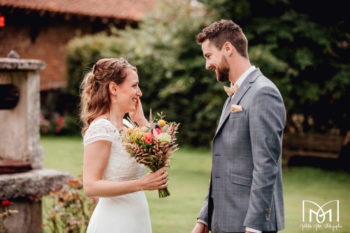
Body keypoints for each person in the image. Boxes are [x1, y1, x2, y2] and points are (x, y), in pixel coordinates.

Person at [191, 20, 286, 233]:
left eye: (208, 56)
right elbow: (224, 166)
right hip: (223, 220)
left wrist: (254, 226)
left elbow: (266, 165)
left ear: (227, 48)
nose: (207, 65)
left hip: (247, 225)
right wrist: (204, 219)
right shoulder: (235, 94)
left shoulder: (263, 93)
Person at [80, 58, 168, 233]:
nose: (139, 92)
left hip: (137, 218)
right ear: (114, 89)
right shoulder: (102, 129)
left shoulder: (128, 127)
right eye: (134, 86)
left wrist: (141, 120)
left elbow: (159, 157)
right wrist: (141, 184)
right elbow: (91, 186)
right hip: (114, 222)